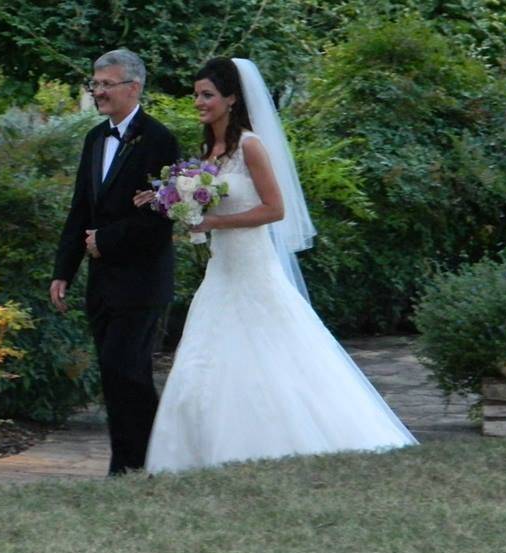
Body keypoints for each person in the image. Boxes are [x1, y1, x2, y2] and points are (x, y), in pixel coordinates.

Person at [143, 58, 417, 473]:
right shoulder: (207, 152)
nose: (199, 101)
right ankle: (192, 456)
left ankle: (280, 441)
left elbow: (275, 209)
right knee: (202, 357)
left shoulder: (250, 145)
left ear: (232, 99)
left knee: (270, 353)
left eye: (207, 95)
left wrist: (216, 220)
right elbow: (201, 207)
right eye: (196, 94)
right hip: (220, 270)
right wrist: (179, 208)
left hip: (252, 267)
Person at [50, 49, 180, 475]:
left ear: (134, 87)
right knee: (113, 373)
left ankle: (132, 464)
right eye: (96, 83)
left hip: (142, 282)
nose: (99, 92)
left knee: (130, 372)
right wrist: (63, 271)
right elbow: (79, 210)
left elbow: (162, 219)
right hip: (102, 283)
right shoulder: (93, 139)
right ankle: (135, 461)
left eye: (107, 84)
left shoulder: (160, 140)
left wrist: (106, 240)